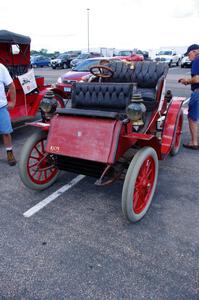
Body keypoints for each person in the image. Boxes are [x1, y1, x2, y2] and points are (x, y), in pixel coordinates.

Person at [178, 44, 199, 150]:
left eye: (189, 54)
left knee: (192, 117)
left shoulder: (197, 60)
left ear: (195, 51)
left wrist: (187, 81)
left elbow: (197, 79)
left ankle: (194, 142)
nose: (188, 56)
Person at [0, 62, 17, 165]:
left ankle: (9, 153)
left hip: (1, 107)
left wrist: (13, 102)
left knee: (6, 132)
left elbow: (11, 86)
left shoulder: (0, 67)